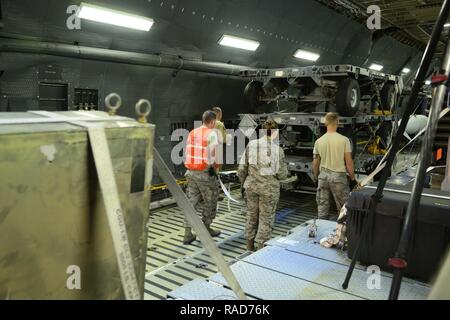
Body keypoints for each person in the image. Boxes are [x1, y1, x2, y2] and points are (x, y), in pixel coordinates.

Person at [237, 119, 289, 252]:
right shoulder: (278, 150)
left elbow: (242, 168)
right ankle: (261, 249)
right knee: (266, 219)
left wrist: (243, 184)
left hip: (251, 187)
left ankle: (249, 247)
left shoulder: (251, 145)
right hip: (269, 190)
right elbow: (282, 174)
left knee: (251, 216)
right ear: (276, 133)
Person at [183, 110, 221, 245]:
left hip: (190, 172)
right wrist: (216, 168)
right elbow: (213, 155)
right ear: (212, 121)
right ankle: (206, 228)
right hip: (204, 174)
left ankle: (187, 233)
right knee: (211, 200)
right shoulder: (212, 134)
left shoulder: (193, 132)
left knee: (191, 202)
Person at [313, 112, 356, 220]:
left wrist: (315, 176)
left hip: (323, 176)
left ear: (326, 123)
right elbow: (349, 162)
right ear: (337, 122)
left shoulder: (319, 141)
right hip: (338, 177)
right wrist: (352, 178)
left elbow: (315, 162)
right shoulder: (344, 140)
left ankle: (321, 232)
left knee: (322, 208)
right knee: (343, 209)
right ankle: (342, 234)